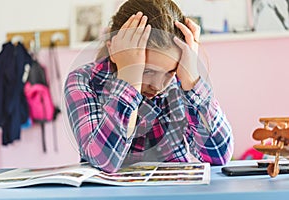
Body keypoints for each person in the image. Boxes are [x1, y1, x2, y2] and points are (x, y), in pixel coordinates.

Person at [65, 0, 234, 173]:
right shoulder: (83, 80)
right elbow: (104, 161)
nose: (159, 86)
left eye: (170, 71)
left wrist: (191, 81)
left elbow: (218, 155)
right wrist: (130, 80)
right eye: (147, 71)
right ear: (114, 50)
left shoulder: (180, 81)